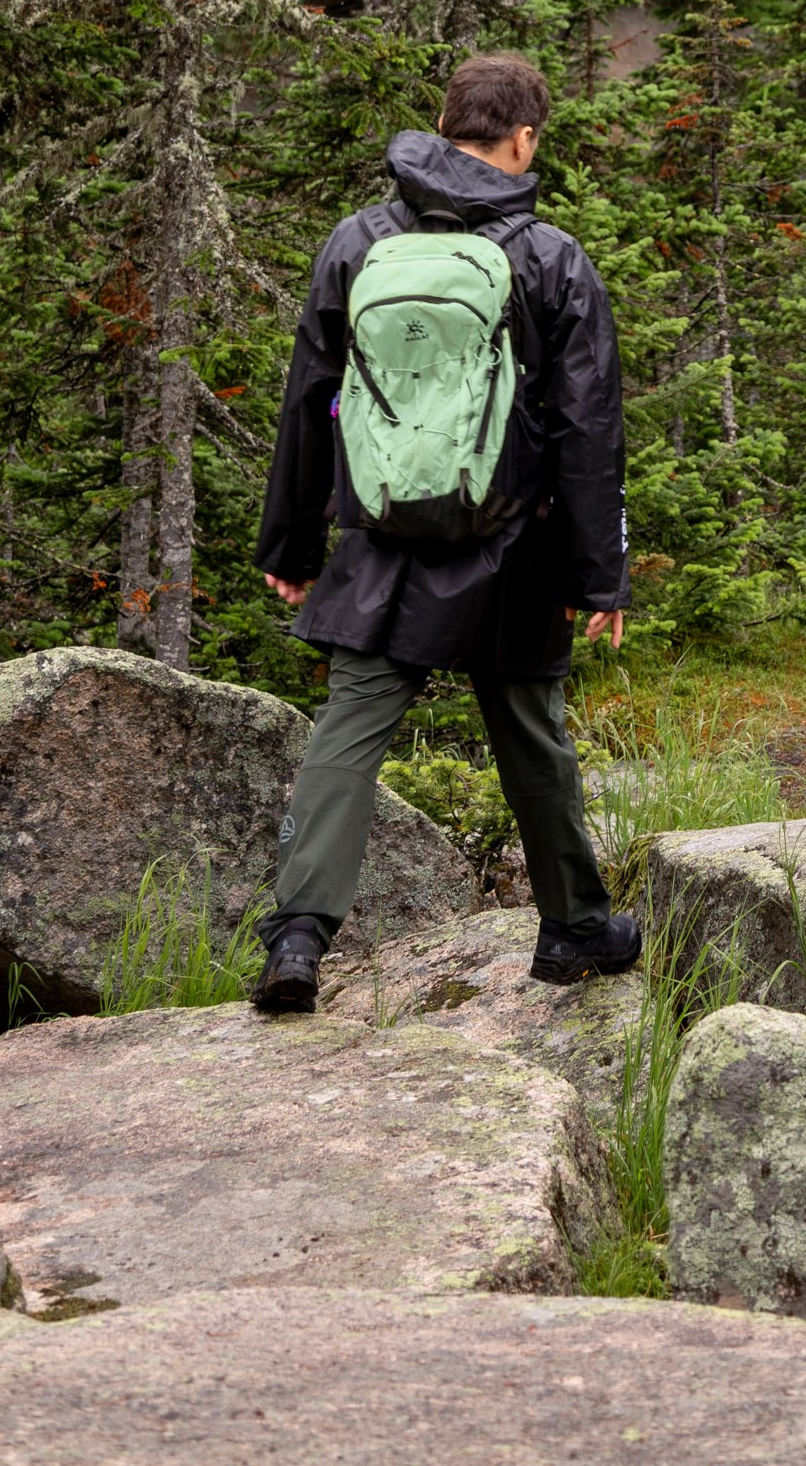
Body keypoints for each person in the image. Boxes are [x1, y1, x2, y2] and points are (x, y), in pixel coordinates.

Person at [251, 50, 636, 1012]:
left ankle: (298, 938)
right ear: (525, 138)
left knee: (349, 730)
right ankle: (575, 931)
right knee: (532, 740)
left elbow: (312, 396)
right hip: (514, 545)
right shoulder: (551, 258)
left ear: (445, 124)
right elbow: (588, 430)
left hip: (381, 544)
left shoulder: (358, 240)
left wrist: (294, 547)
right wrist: (599, 578)